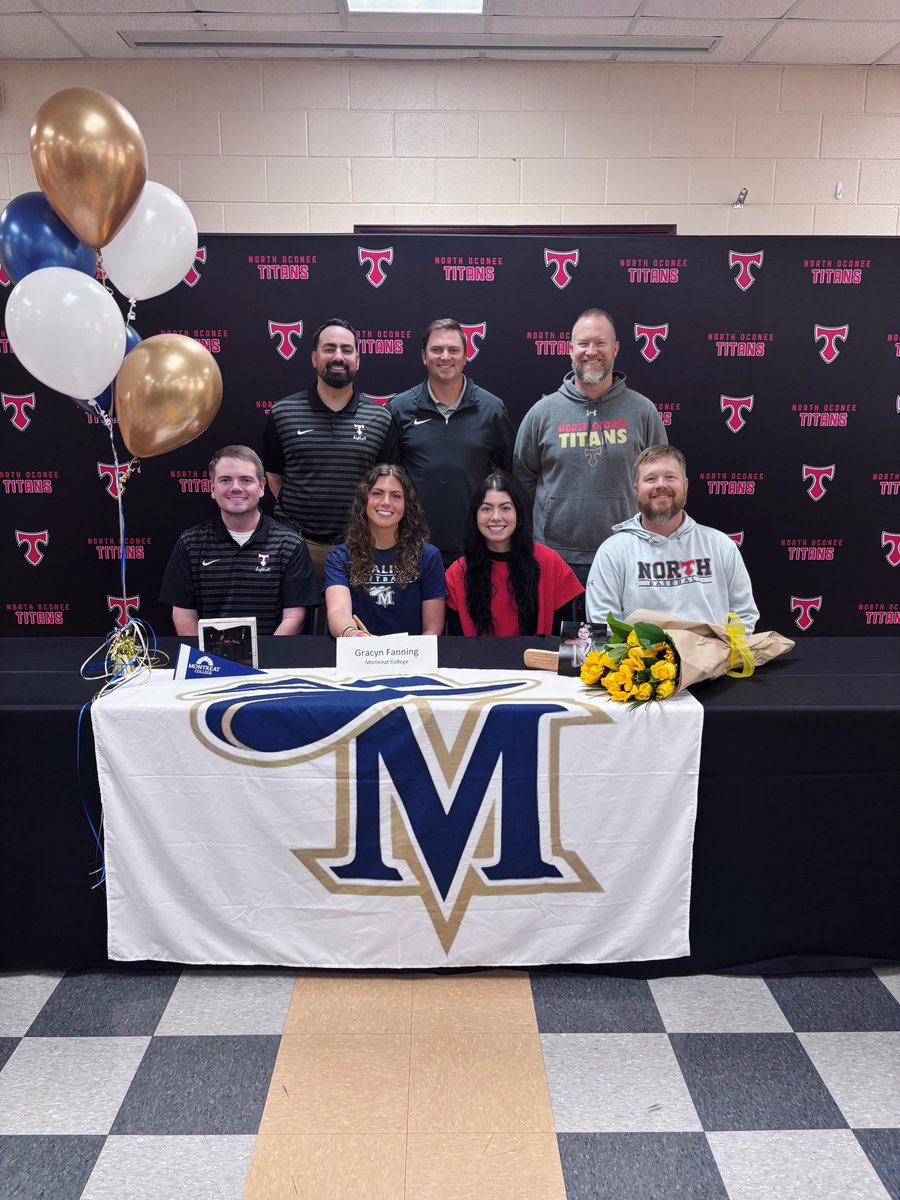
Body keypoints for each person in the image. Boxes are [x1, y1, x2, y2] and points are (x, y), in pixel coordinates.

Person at [513, 307, 667, 590]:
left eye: (600, 343)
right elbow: (523, 481)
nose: (591, 351)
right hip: (554, 557)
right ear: (570, 350)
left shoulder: (643, 411)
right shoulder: (542, 413)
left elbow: (659, 481)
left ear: (616, 348)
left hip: (627, 553)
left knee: (621, 636)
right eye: (583, 344)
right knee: (553, 636)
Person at [263, 317, 399, 586]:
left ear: (357, 360)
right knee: (300, 626)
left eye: (346, 350)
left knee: (357, 627)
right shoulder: (283, 413)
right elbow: (274, 478)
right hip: (298, 547)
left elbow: (388, 484)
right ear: (314, 358)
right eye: (329, 349)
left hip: (360, 547)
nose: (338, 356)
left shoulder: (380, 418)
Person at [585, 444, 759, 631]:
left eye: (670, 477)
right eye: (650, 479)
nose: (661, 485)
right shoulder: (612, 551)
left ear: (685, 485)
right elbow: (603, 625)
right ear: (636, 489)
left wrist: (720, 657)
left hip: (712, 658)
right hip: (638, 659)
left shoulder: (720, 545)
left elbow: (744, 615)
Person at [390, 318, 514, 565]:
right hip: (413, 547)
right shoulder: (399, 409)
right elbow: (390, 476)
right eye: (437, 350)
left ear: (466, 356)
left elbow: (505, 473)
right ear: (424, 356)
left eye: (453, 350)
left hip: (474, 546)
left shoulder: (492, 409)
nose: (445, 356)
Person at [159, 445, 319, 636]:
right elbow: (183, 616)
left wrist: (265, 660)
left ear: (261, 487)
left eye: (245, 480)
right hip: (210, 663)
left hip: (271, 662)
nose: (236, 488)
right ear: (212, 488)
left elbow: (295, 617)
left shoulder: (290, 545)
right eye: (225, 480)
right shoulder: (190, 543)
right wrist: (206, 662)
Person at [445, 474, 583, 637]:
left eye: (505, 508)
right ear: (475, 516)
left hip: (538, 661)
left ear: (518, 514)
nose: (496, 517)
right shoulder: (458, 573)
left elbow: (567, 641)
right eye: (486, 509)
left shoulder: (550, 562)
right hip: (476, 661)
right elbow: (456, 646)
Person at [324, 463, 446, 638]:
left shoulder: (428, 556)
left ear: (407, 505)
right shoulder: (340, 557)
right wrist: (352, 635)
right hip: (359, 655)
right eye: (377, 494)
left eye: (396, 496)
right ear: (364, 499)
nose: (386, 502)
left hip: (411, 659)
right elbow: (338, 612)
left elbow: (432, 631)